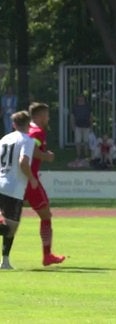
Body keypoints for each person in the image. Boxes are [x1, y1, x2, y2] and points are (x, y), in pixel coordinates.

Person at [24, 102, 66, 266]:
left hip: (18, 178)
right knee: (46, 214)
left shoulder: (26, 130)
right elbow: (30, 149)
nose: (48, 118)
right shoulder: (37, 132)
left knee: (10, 216)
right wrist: (45, 156)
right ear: (40, 115)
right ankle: (47, 255)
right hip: (30, 178)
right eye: (47, 115)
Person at [0, 111, 38, 269]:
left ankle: (6, 262)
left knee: (8, 226)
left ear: (14, 124)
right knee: (10, 228)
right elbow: (23, 162)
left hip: (0, 182)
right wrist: (32, 179)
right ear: (28, 124)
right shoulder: (27, 140)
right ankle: (5, 261)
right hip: (13, 188)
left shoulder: (4, 139)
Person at [71, 95, 92, 161]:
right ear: (77, 98)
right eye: (79, 97)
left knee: (86, 141)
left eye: (82, 97)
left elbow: (91, 117)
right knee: (78, 142)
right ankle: (78, 155)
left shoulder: (88, 106)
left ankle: (86, 155)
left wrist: (91, 126)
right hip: (78, 126)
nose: (81, 98)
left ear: (84, 98)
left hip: (87, 126)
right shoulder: (75, 106)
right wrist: (73, 125)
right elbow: (72, 117)